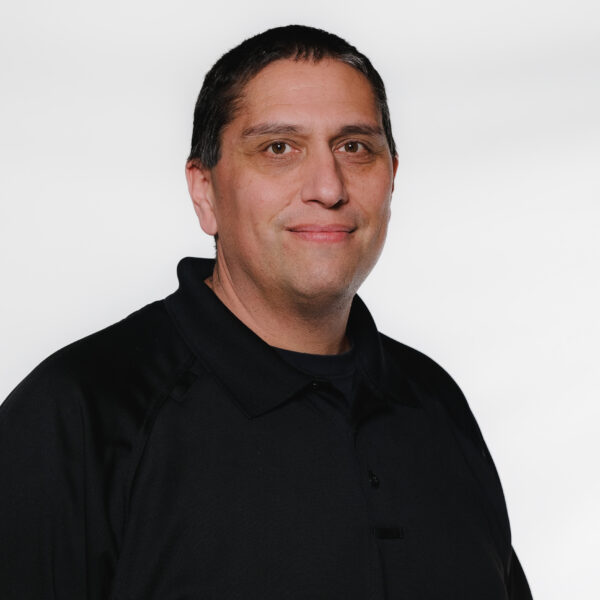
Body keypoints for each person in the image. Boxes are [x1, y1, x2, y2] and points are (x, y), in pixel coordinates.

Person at [0, 25, 532, 599]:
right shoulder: (79, 412)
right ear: (205, 191)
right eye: (279, 148)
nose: (327, 187)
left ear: (392, 178)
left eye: (355, 147)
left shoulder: (435, 403)